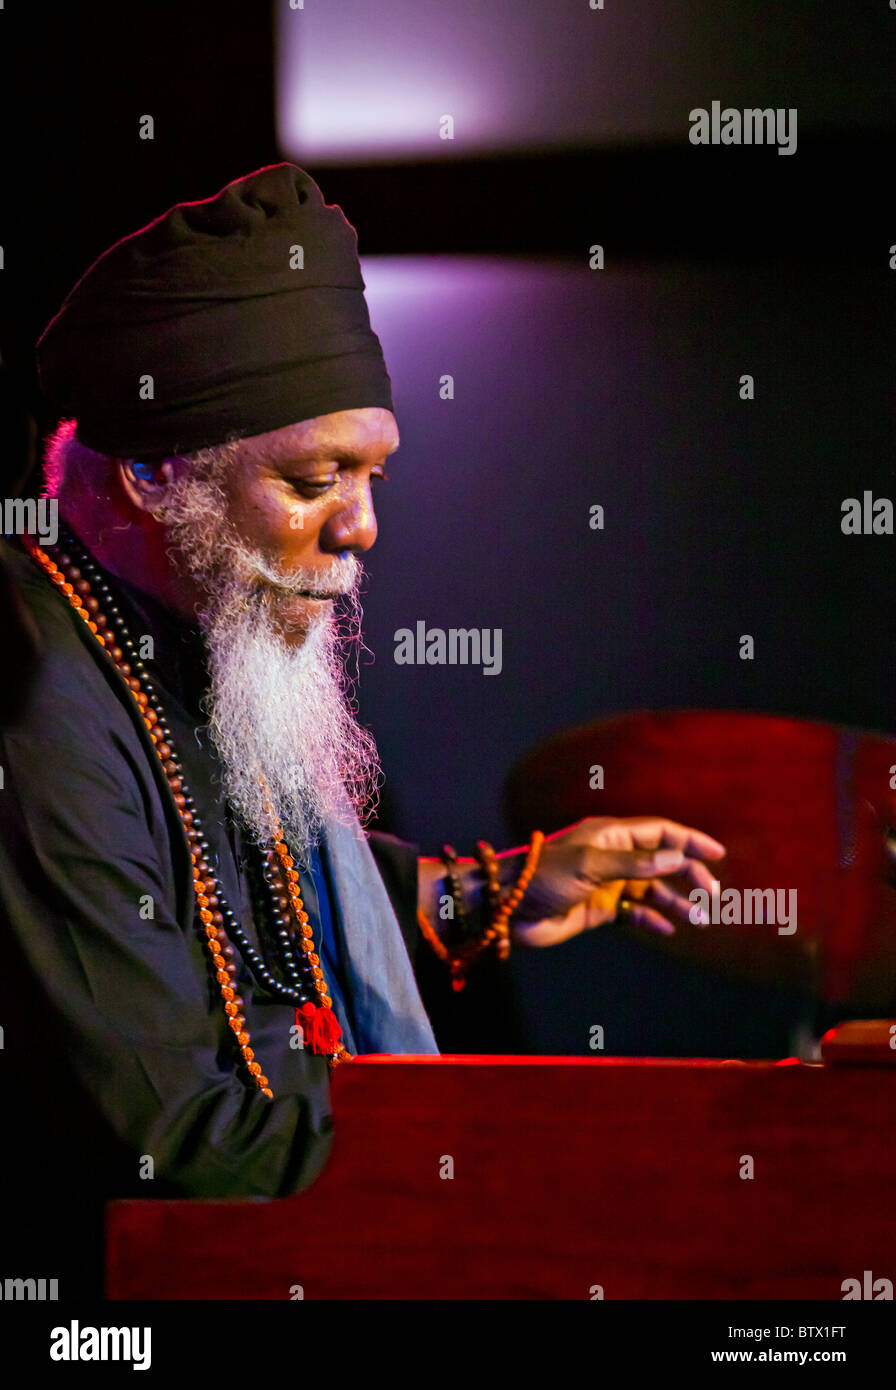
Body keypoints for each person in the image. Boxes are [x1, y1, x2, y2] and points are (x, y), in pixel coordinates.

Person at [0, 163, 725, 1297]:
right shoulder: (31, 698)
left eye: (373, 472)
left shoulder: (175, 633)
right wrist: (545, 1155)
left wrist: (480, 893)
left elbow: (232, 901)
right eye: (312, 477)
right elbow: (170, 1134)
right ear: (150, 474)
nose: (363, 525)